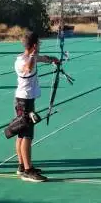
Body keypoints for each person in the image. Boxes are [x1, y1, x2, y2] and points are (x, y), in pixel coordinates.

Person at [14, 31, 60, 182]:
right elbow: (27, 68)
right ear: (34, 46)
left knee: (22, 134)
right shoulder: (23, 61)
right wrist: (34, 55)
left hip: (26, 100)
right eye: (38, 44)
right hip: (24, 101)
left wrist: (52, 59)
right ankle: (27, 170)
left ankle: (22, 166)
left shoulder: (29, 57)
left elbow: (42, 59)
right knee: (26, 135)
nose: (40, 46)